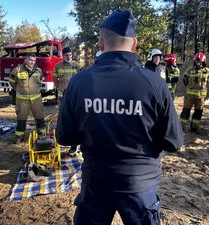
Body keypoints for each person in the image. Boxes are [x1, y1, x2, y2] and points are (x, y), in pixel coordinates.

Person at [56, 9, 183, 225]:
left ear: (100, 43)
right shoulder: (154, 84)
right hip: (140, 185)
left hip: (96, 182)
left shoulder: (79, 82)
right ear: (134, 44)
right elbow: (173, 142)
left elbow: (65, 137)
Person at [9, 53, 46, 143]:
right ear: (25, 59)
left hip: (36, 99)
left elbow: (40, 82)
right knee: (21, 119)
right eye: (30, 60)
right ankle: (19, 136)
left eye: (34, 60)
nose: (32, 62)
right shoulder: (17, 70)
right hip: (22, 100)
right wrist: (20, 89)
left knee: (40, 118)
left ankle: (42, 135)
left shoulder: (38, 70)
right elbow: (12, 82)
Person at [53, 47, 80, 156]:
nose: (69, 57)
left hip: (74, 96)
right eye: (66, 55)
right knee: (64, 118)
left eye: (70, 55)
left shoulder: (77, 66)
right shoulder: (58, 66)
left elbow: (80, 79)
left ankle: (75, 145)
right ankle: (65, 139)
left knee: (76, 118)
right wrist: (59, 88)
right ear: (63, 56)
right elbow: (54, 79)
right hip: (62, 97)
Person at [180, 52, 209, 134]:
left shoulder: (207, 71)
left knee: (198, 113)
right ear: (194, 62)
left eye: (200, 62)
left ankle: (194, 128)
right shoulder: (190, 70)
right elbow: (185, 79)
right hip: (189, 96)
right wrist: (190, 87)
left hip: (200, 98)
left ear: (203, 62)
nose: (198, 63)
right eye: (197, 62)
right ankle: (181, 127)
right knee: (186, 112)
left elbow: (208, 82)